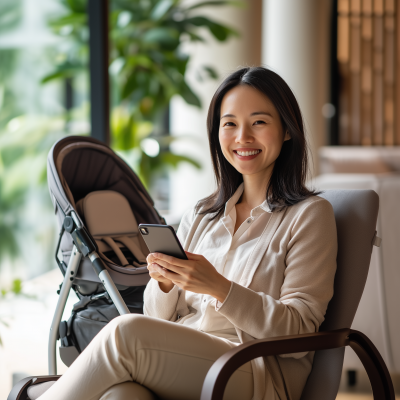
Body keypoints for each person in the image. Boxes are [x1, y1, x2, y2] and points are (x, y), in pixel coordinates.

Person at [37, 67, 337, 400]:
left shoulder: (309, 216)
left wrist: (219, 287)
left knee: (125, 333)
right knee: (120, 395)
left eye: (259, 122)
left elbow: (299, 331)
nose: (243, 138)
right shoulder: (201, 214)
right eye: (230, 124)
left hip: (254, 371)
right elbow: (155, 316)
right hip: (185, 360)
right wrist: (165, 282)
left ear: (286, 130)